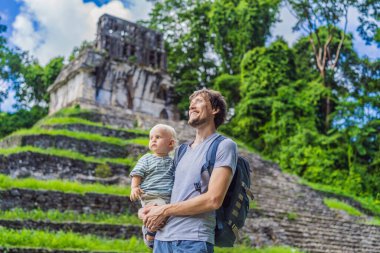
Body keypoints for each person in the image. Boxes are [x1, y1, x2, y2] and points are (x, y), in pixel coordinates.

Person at [142, 88, 238, 253]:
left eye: (199, 101)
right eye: (191, 103)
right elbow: (169, 191)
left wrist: (164, 210)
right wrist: (148, 210)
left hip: (192, 240)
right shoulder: (181, 150)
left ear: (215, 110)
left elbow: (213, 200)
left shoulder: (223, 145)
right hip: (162, 240)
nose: (192, 106)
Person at [129, 123, 177, 248]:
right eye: (151, 138)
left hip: (167, 196)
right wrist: (134, 187)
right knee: (158, 213)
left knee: (166, 217)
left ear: (170, 144)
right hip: (151, 195)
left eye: (158, 137)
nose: (153, 140)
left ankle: (153, 233)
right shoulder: (146, 158)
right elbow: (137, 174)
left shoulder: (173, 161)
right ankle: (149, 236)